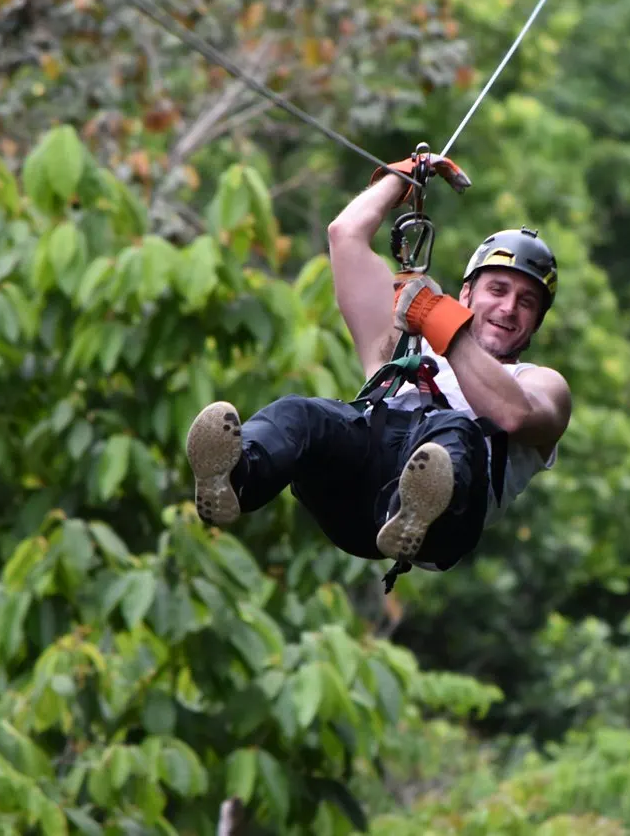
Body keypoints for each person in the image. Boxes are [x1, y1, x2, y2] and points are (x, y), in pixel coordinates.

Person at [184, 152, 572, 585]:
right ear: (467, 294)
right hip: (355, 491)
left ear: (535, 322)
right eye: (497, 289)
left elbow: (513, 414)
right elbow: (346, 234)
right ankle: (236, 478)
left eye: (526, 303)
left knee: (451, 432)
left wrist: (439, 320)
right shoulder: (404, 341)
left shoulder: (541, 384)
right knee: (302, 413)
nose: (508, 308)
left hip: (443, 522)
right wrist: (401, 177)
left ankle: (410, 512)